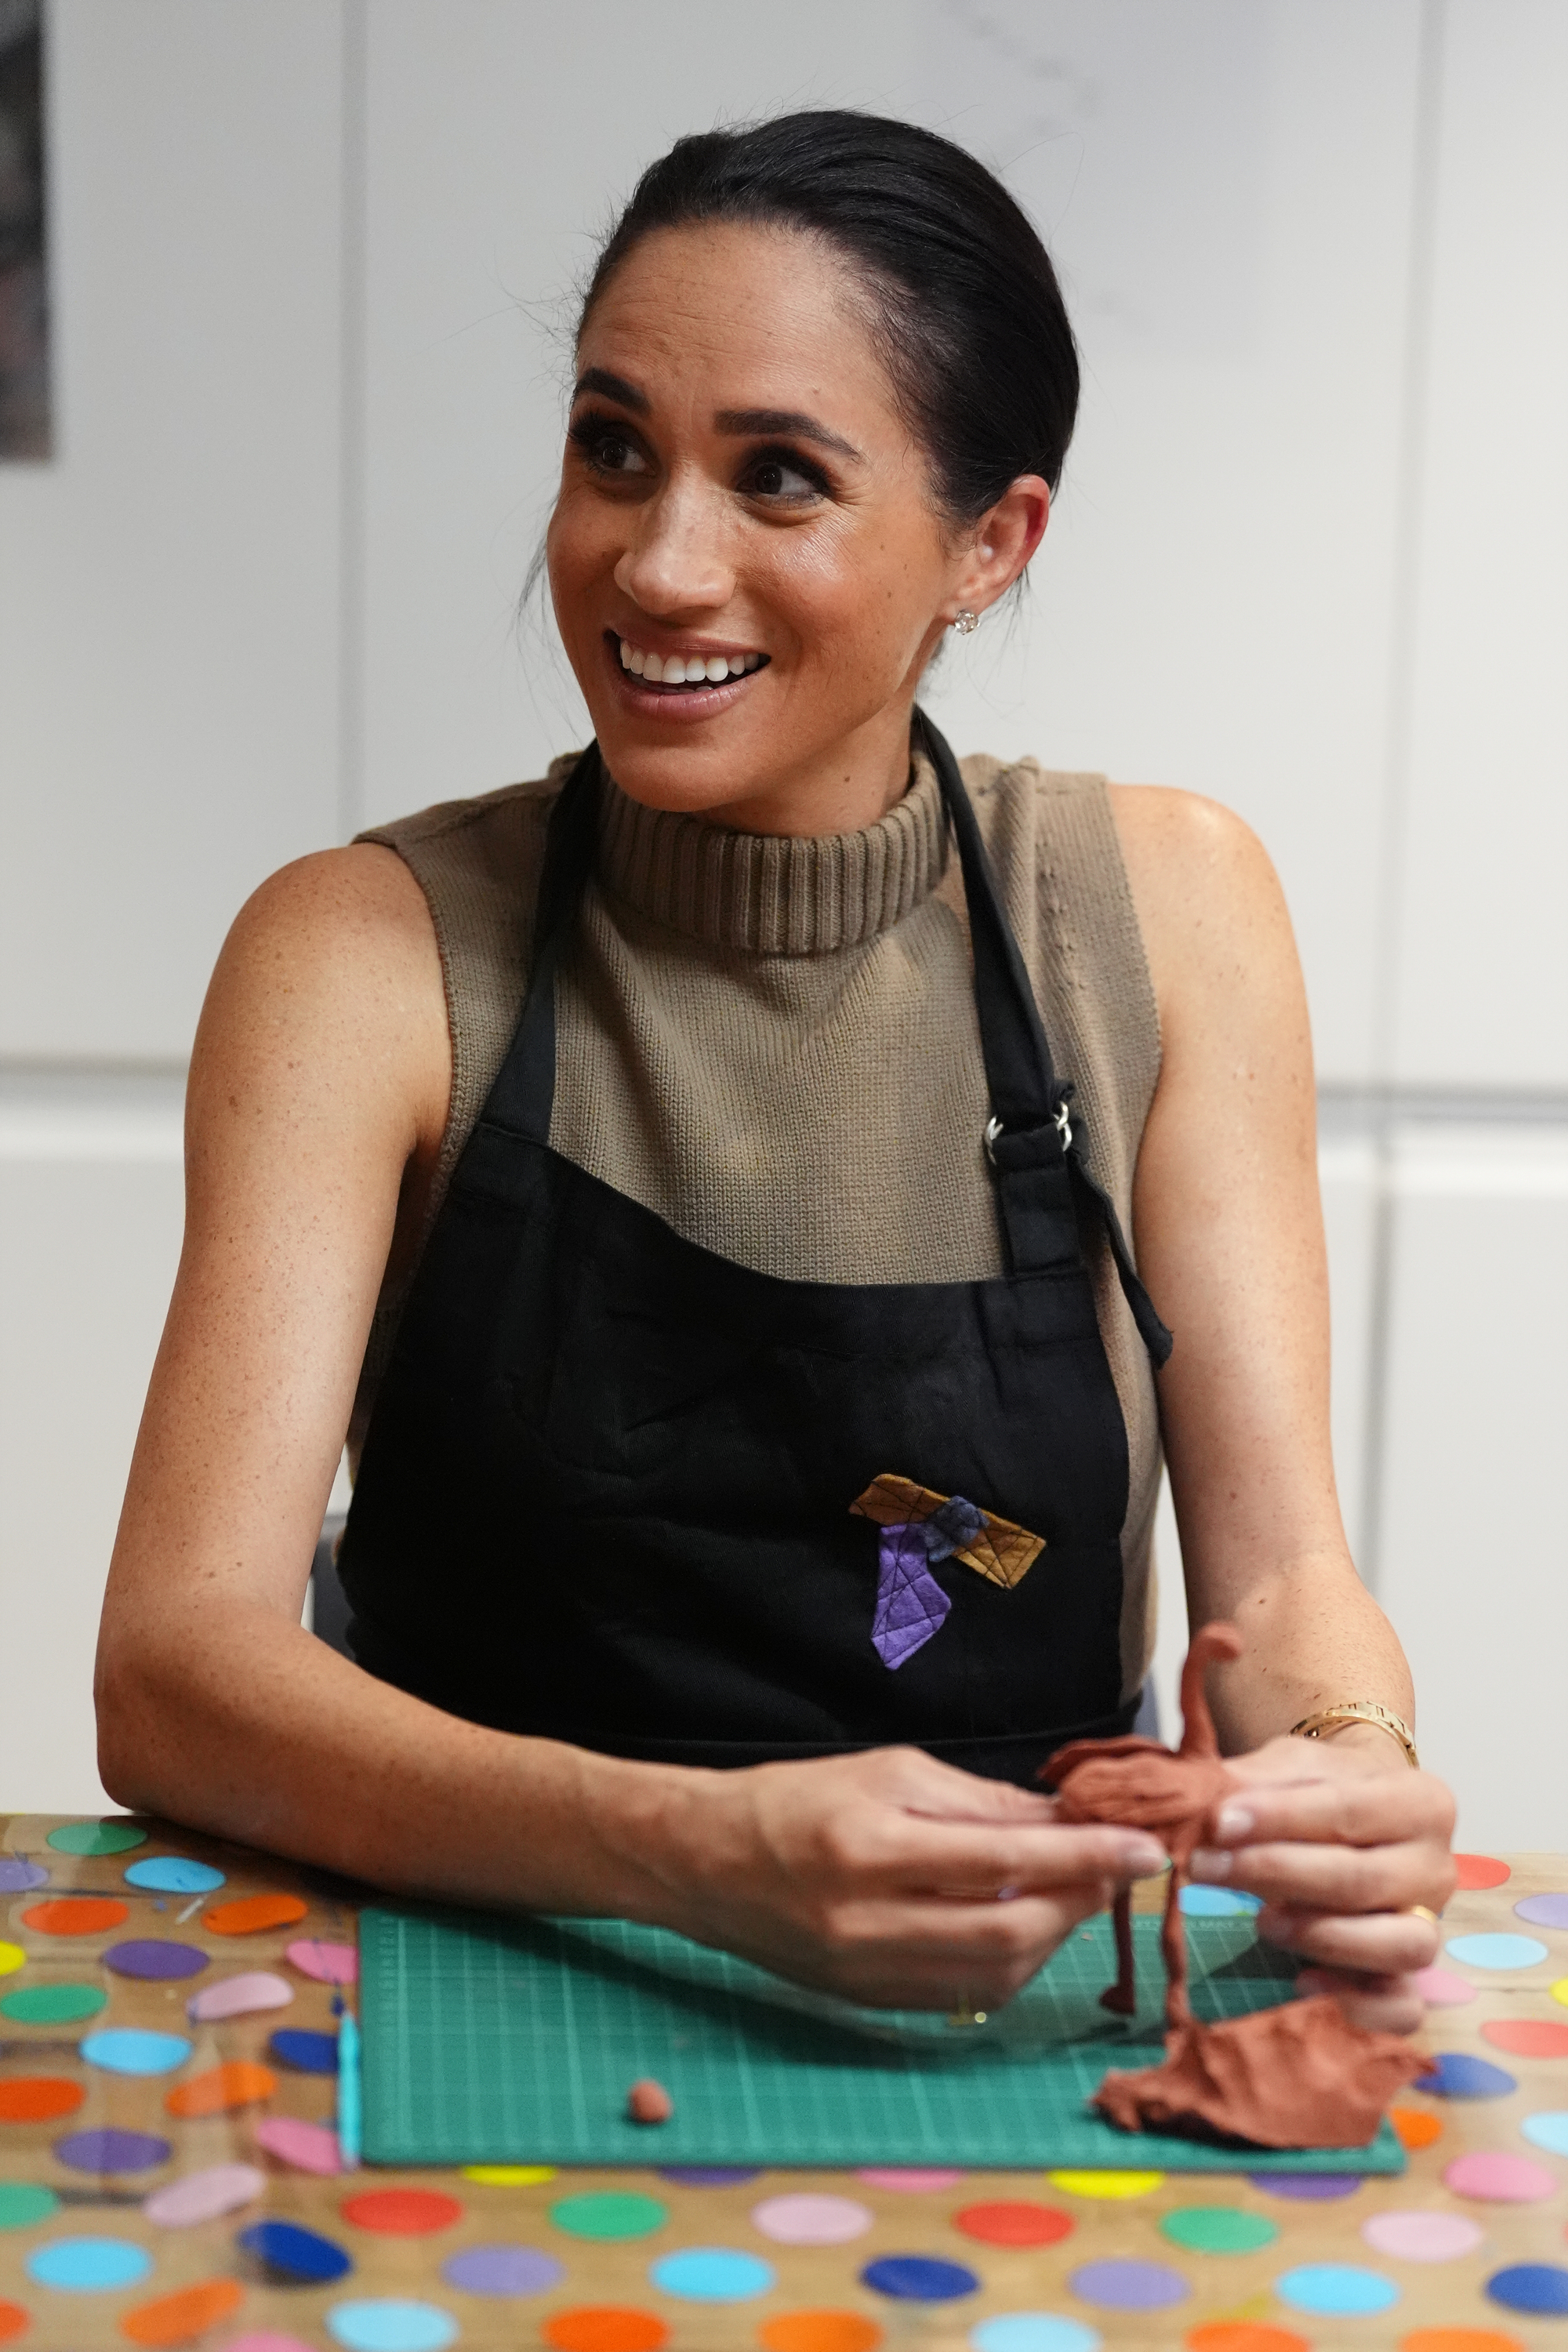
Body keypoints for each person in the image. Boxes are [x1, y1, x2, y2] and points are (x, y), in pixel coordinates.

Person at [96, 112, 1454, 2024]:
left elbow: (1287, 1574)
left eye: (780, 480)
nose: (656, 564)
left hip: (1017, 2013)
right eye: (613, 448)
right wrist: (690, 1851)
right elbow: (174, 1669)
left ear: (989, 545)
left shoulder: (1161, 911)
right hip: (453, 1987)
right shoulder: (366, 953)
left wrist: (1349, 1754)